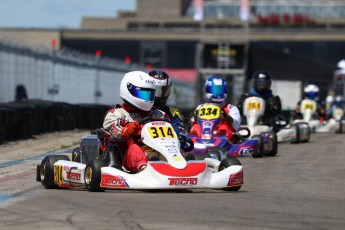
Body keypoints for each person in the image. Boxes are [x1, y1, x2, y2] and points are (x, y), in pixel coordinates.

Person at [103, 71, 168, 173]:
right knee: (134, 149)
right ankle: (145, 169)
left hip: (155, 150)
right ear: (129, 90)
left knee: (169, 148)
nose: (146, 99)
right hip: (126, 156)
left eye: (149, 95)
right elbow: (112, 129)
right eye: (142, 94)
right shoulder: (116, 114)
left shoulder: (158, 114)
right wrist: (125, 130)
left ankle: (180, 166)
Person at [189, 75, 241, 143]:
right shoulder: (200, 107)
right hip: (202, 134)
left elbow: (235, 126)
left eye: (220, 90)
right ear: (208, 90)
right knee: (195, 128)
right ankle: (194, 145)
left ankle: (221, 146)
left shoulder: (231, 108)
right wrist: (195, 115)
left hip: (222, 139)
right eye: (215, 90)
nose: (218, 93)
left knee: (224, 128)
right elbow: (192, 123)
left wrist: (226, 116)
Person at [147, 69, 186, 135]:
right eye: (155, 91)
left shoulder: (172, 113)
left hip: (166, 143)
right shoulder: (138, 109)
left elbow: (180, 131)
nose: (158, 96)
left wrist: (180, 137)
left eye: (163, 91)